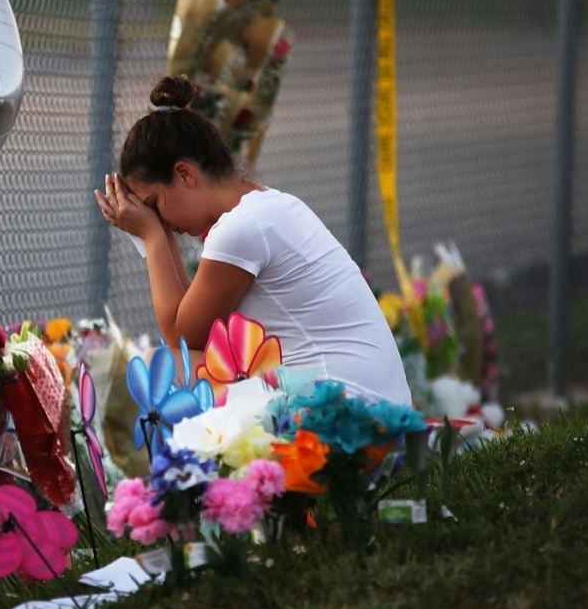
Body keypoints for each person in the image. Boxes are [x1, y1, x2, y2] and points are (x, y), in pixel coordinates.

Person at [94, 75, 411, 406]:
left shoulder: (242, 228)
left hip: (348, 413)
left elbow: (182, 338)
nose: (163, 223)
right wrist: (155, 232)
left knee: (155, 367)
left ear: (185, 174)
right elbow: (192, 318)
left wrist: (151, 236)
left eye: (155, 205)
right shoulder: (263, 208)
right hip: (369, 405)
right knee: (178, 365)